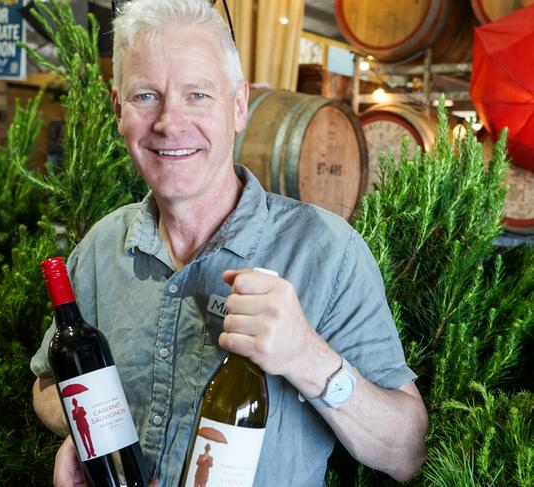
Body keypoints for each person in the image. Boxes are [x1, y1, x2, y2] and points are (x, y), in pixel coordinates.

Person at [30, 0, 429, 485]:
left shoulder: (328, 253)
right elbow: (48, 387)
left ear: (238, 106)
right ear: (118, 110)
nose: (169, 123)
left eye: (197, 94)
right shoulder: (100, 248)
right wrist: (85, 431)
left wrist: (307, 357)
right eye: (145, 96)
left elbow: (405, 451)